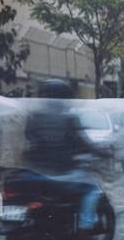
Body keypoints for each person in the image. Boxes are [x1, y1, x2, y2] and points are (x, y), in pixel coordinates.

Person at [21, 78, 104, 230]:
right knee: (93, 188)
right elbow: (83, 142)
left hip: (34, 172)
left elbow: (29, 136)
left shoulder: (33, 116)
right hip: (62, 173)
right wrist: (102, 152)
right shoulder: (69, 119)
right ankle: (85, 226)